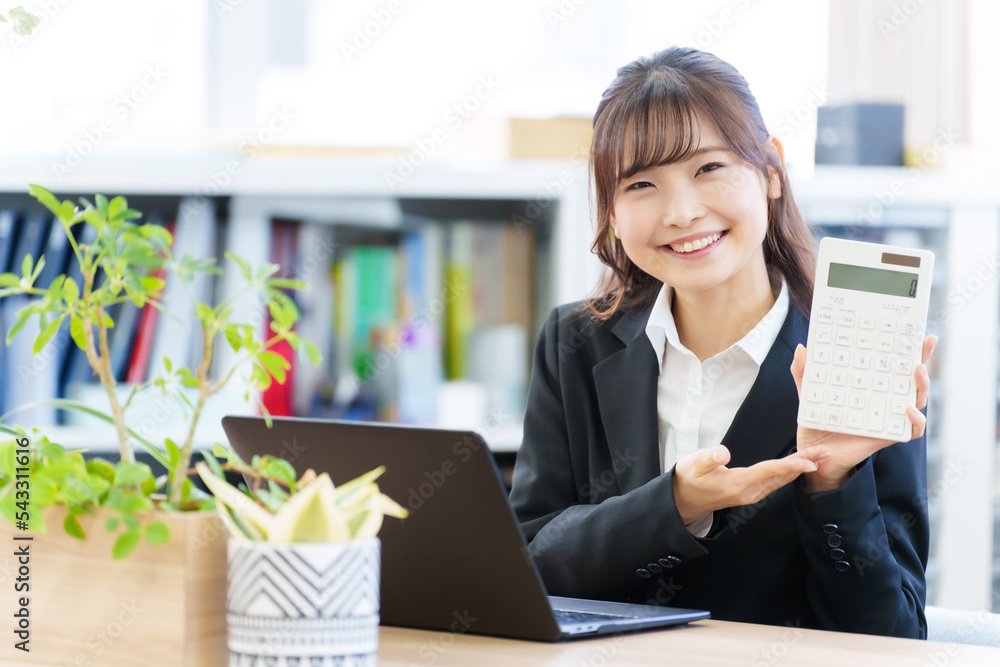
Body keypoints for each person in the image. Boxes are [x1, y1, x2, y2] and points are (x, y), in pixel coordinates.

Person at [507, 46, 937, 639]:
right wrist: (674, 505)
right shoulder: (575, 343)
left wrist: (834, 483)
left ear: (770, 172)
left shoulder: (856, 352)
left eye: (708, 169)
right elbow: (525, 568)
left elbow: (891, 637)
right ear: (610, 209)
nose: (681, 211)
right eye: (640, 184)